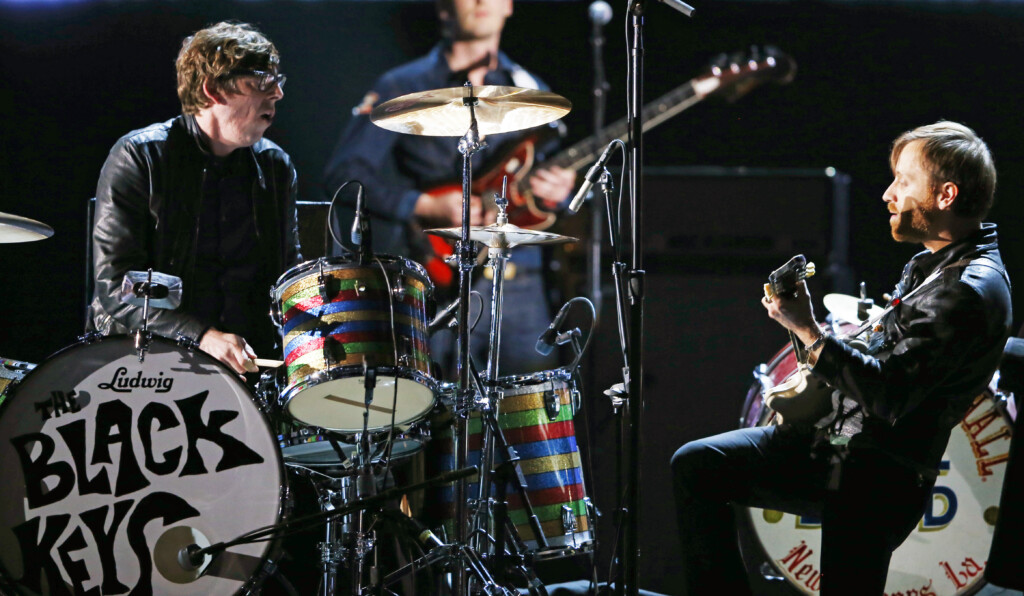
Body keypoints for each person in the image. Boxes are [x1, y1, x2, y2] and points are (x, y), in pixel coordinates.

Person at [671, 121, 1012, 595]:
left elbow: (888, 394)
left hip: (879, 477)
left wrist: (807, 328)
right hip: (840, 451)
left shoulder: (966, 290)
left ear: (946, 195)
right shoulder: (934, 262)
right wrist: (803, 331)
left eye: (904, 181)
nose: (888, 195)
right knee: (698, 465)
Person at [321, 0, 576, 378]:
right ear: (443, 8)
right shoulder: (403, 84)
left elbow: (550, 189)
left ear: (508, 6)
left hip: (521, 281)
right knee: (442, 419)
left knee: (531, 418)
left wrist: (560, 192)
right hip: (438, 279)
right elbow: (344, 173)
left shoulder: (528, 87)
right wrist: (423, 203)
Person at [87, 21, 301, 375]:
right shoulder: (140, 157)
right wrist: (201, 337)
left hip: (246, 363)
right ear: (213, 89)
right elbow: (116, 286)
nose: (277, 94)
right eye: (262, 81)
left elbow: (287, 279)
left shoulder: (276, 166)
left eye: (278, 82)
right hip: (144, 358)